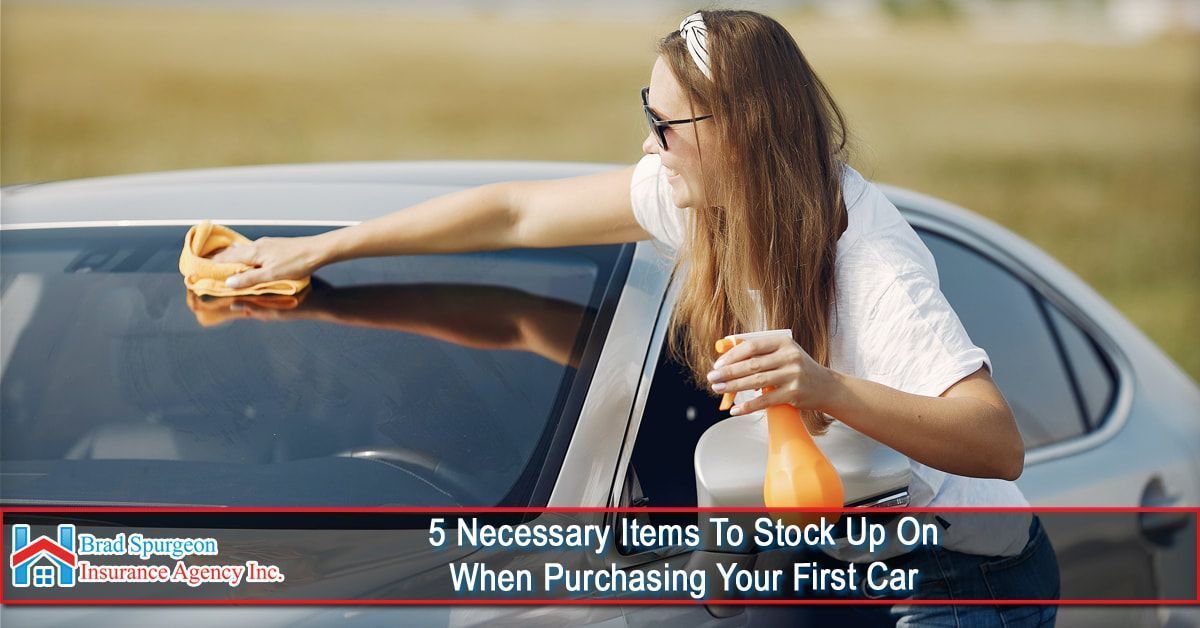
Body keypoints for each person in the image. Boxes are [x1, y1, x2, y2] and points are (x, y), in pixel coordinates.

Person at [211, 9, 1059, 625]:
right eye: (644, 113)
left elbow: (995, 441)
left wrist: (824, 386)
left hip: (959, 581)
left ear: (739, 132)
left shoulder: (870, 263)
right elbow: (512, 215)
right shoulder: (699, 198)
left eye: (665, 123)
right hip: (846, 562)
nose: (650, 144)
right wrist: (321, 250)